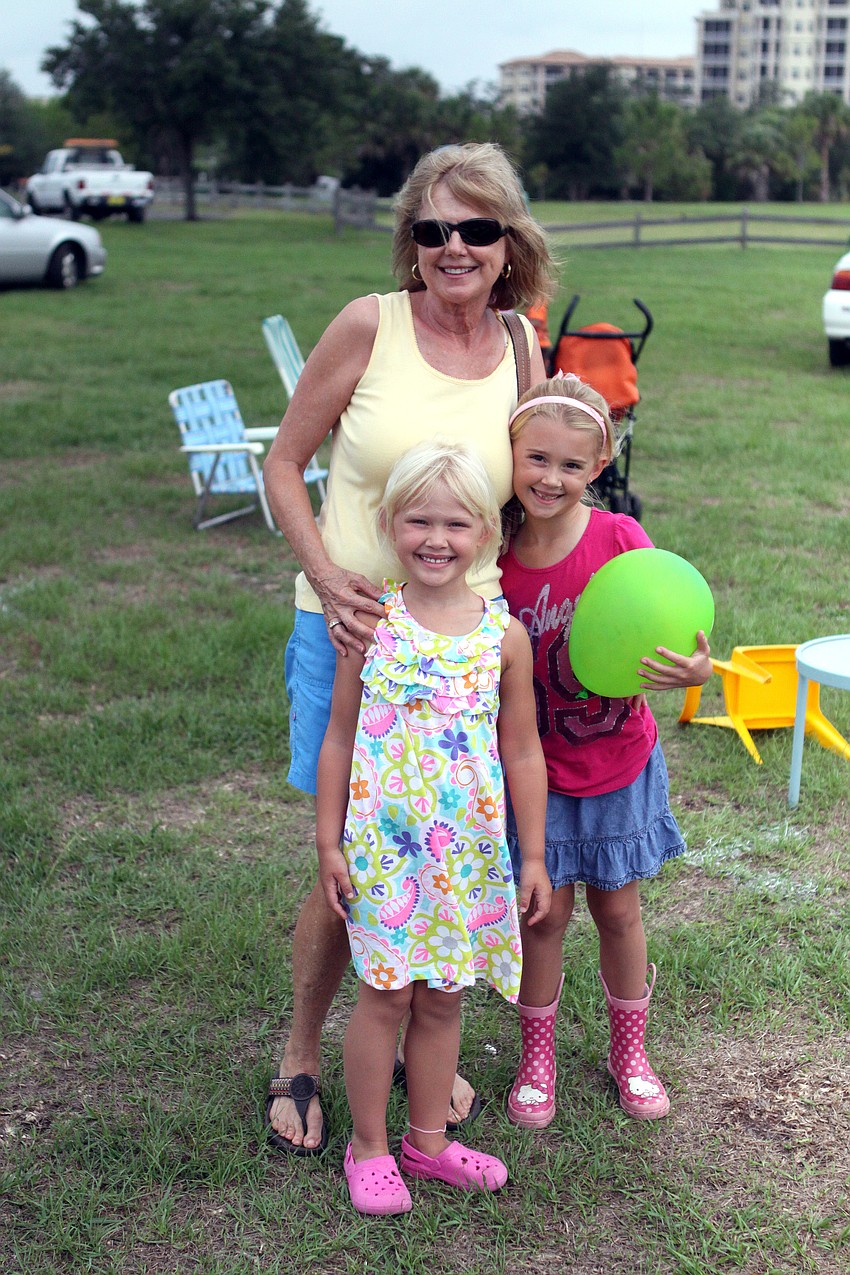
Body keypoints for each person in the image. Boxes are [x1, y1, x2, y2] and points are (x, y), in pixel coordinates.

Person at [261, 142, 554, 1154]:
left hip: (469, 650)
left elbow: (541, 492)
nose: (453, 248)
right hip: (350, 633)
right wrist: (328, 574)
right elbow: (285, 462)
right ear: (411, 243)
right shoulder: (367, 325)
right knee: (349, 860)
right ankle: (302, 1051)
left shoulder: (521, 346)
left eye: (476, 228)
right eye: (431, 231)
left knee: (444, 848)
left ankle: (414, 1037)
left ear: (507, 242)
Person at [316, 442, 551, 1214]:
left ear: (486, 531)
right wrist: (328, 842)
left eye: (456, 522)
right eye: (418, 519)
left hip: (467, 861)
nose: (436, 537)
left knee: (445, 998)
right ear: (389, 524)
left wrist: (535, 856)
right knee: (385, 997)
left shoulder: (502, 638)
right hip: (387, 857)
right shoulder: (370, 625)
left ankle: (428, 1142)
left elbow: (521, 750)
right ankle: (370, 1147)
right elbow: (340, 738)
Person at [497, 374, 712, 1127]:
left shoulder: (620, 539)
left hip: (616, 761)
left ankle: (630, 1053)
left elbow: (670, 626)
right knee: (543, 917)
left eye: (570, 464)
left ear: (598, 467)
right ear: (513, 457)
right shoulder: (496, 557)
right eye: (536, 458)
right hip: (535, 773)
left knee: (618, 911)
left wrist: (694, 670)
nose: (550, 478)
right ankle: (537, 1058)